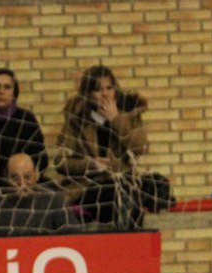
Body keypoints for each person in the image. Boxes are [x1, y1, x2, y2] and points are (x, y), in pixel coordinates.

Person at [55, 65, 149, 228]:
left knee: (132, 194)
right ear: (89, 94)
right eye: (98, 89)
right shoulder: (76, 121)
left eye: (109, 88)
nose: (105, 93)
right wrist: (90, 164)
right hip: (87, 188)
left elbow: (139, 147)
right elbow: (61, 162)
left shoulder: (129, 118)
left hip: (122, 186)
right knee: (111, 196)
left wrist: (116, 119)